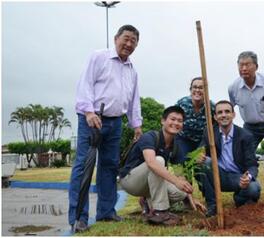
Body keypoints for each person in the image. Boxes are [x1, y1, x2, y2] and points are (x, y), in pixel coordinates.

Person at [69, 25, 143, 232]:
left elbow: (133, 98)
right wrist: (89, 112)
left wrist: (136, 124)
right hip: (92, 119)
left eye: (133, 41)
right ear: (116, 38)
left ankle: (106, 211)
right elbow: (85, 84)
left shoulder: (132, 70)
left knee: (110, 167)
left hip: (116, 122)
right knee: (84, 167)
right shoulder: (99, 57)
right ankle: (78, 218)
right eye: (125, 39)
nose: (128, 44)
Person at [119, 106, 203, 225]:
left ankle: (148, 203)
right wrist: (175, 181)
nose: (176, 123)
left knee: (181, 192)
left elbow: (180, 176)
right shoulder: (150, 137)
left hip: (149, 183)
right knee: (158, 161)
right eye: (172, 119)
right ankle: (160, 212)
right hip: (131, 180)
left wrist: (190, 197)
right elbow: (151, 163)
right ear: (163, 121)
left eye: (180, 121)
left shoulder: (176, 146)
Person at [228, 51, 264, 207]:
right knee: (242, 157)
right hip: (250, 127)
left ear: (256, 66)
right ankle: (246, 192)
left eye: (247, 64)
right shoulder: (233, 88)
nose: (244, 68)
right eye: (240, 65)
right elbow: (231, 107)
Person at [196, 100, 261, 217]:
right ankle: (212, 204)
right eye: (220, 112)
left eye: (227, 111)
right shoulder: (209, 133)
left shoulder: (245, 136)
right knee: (205, 162)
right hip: (217, 175)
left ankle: (239, 198)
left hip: (238, 178)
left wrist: (248, 177)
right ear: (215, 117)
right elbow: (200, 150)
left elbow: (252, 165)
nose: (224, 115)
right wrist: (198, 156)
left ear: (233, 114)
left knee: (254, 188)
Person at [175, 77, 215, 164]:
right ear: (190, 89)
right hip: (183, 139)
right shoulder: (182, 104)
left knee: (202, 162)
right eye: (195, 87)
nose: (197, 90)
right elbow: (173, 120)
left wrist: (204, 147)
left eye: (201, 88)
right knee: (183, 160)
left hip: (201, 142)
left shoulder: (211, 107)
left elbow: (215, 127)